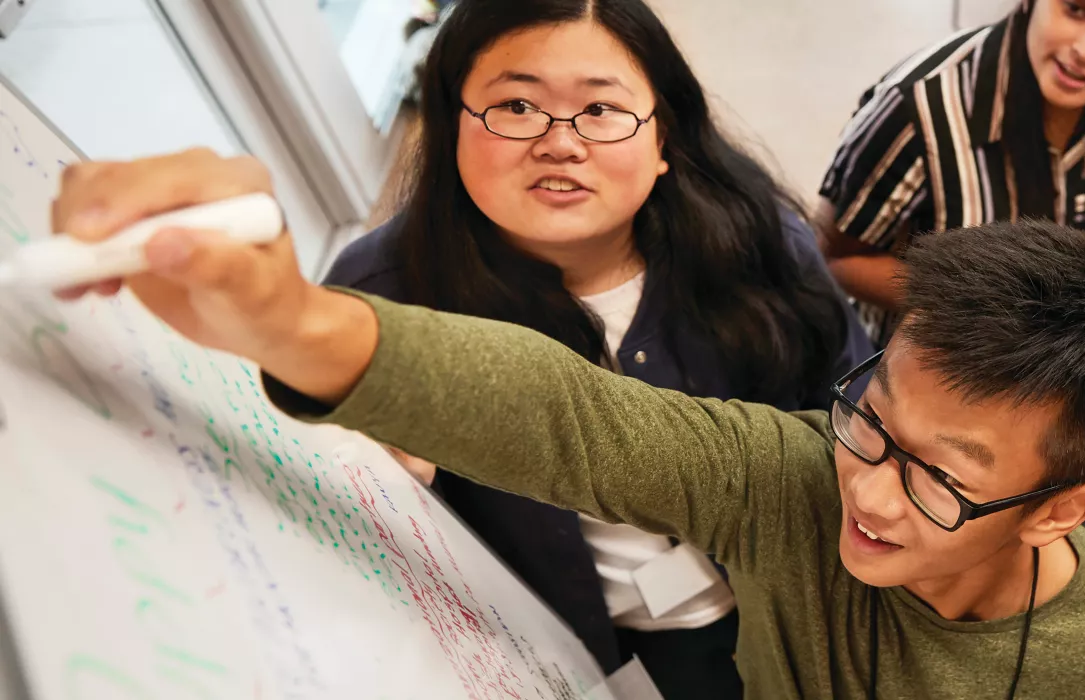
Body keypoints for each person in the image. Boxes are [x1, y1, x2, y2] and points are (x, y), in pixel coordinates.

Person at [50, 149, 1085, 699]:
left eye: (941, 479)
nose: (873, 491)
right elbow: (573, 418)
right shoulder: (791, 475)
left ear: (1062, 510)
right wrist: (294, 323)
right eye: (873, 422)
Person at [317, 0, 869, 695]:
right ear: (451, 121)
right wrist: (384, 481)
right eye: (517, 105)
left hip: (781, 610)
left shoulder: (759, 245)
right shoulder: (378, 300)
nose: (559, 143)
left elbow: (855, 421)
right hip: (563, 654)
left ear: (663, 137)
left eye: (601, 110)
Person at [817, 0, 1085, 483]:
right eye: (1076, 9)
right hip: (915, 400)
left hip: (1035, 394)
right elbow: (832, 257)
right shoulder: (917, 105)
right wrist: (993, 305)